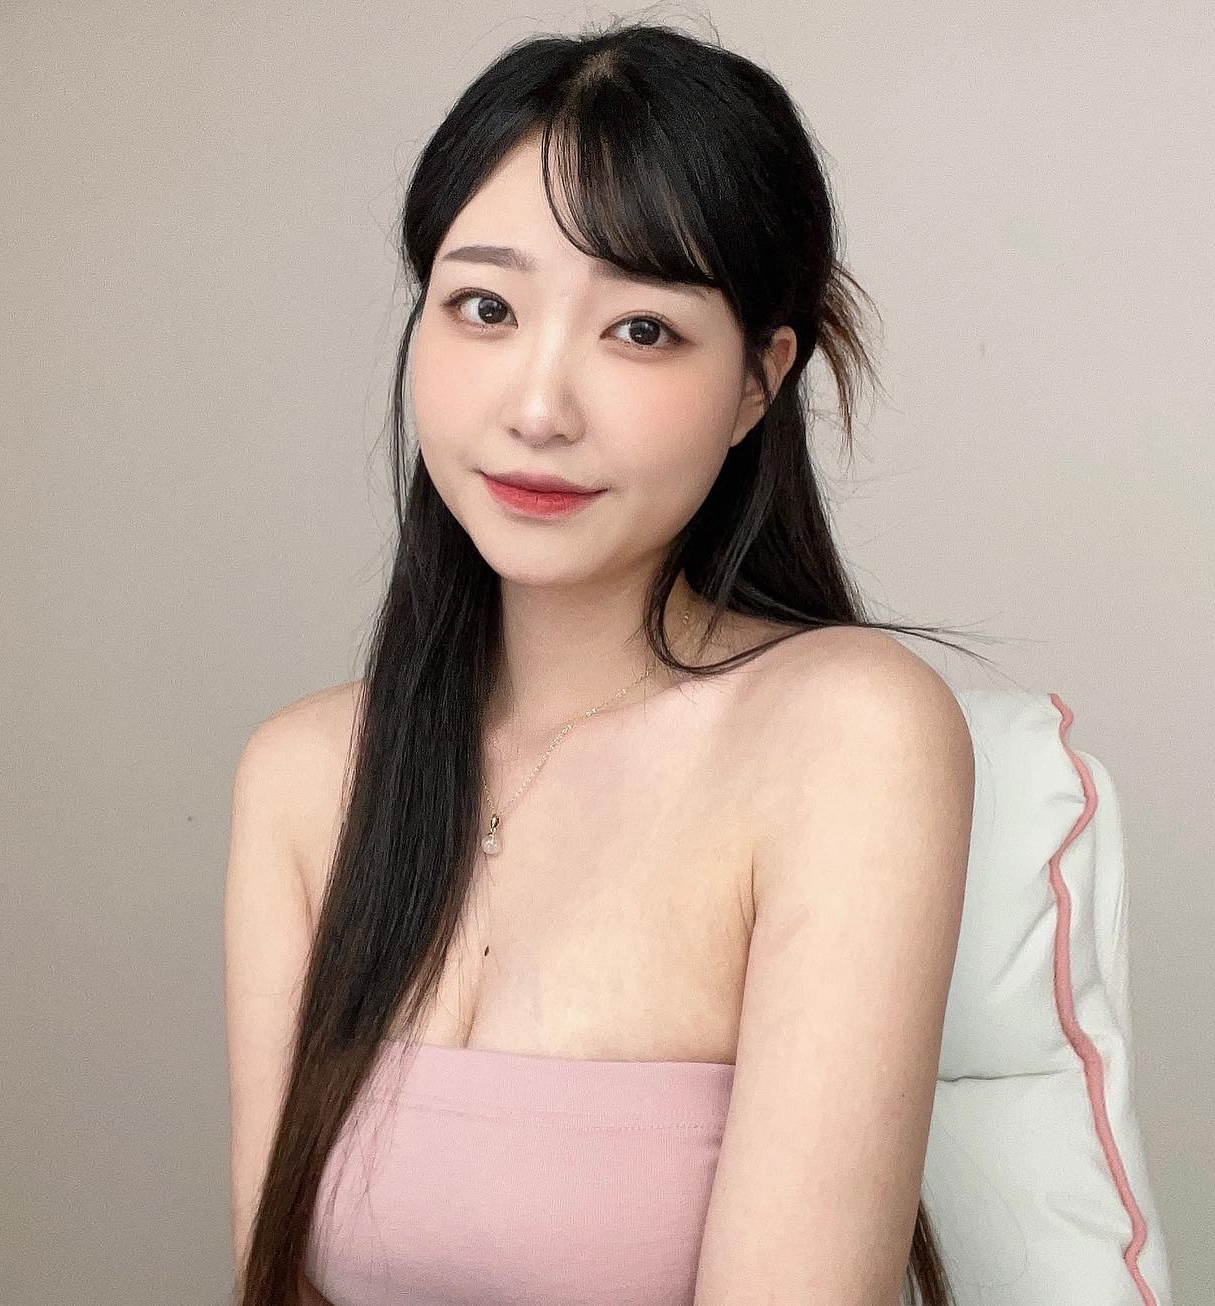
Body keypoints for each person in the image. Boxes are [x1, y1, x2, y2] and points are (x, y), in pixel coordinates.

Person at [225, 16, 986, 1306]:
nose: (537, 407)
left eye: (640, 330)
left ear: (760, 382)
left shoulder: (846, 732)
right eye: (485, 307)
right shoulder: (306, 777)